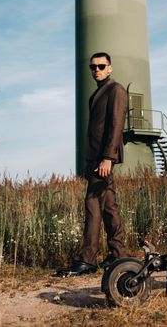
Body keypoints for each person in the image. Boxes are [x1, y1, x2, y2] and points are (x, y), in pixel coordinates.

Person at [58, 52, 128, 276]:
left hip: (103, 159)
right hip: (95, 158)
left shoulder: (115, 90)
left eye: (100, 66)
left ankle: (87, 259)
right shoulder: (98, 92)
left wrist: (108, 157)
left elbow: (116, 125)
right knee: (108, 206)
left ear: (110, 68)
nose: (96, 70)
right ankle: (117, 254)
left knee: (92, 205)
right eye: (93, 67)